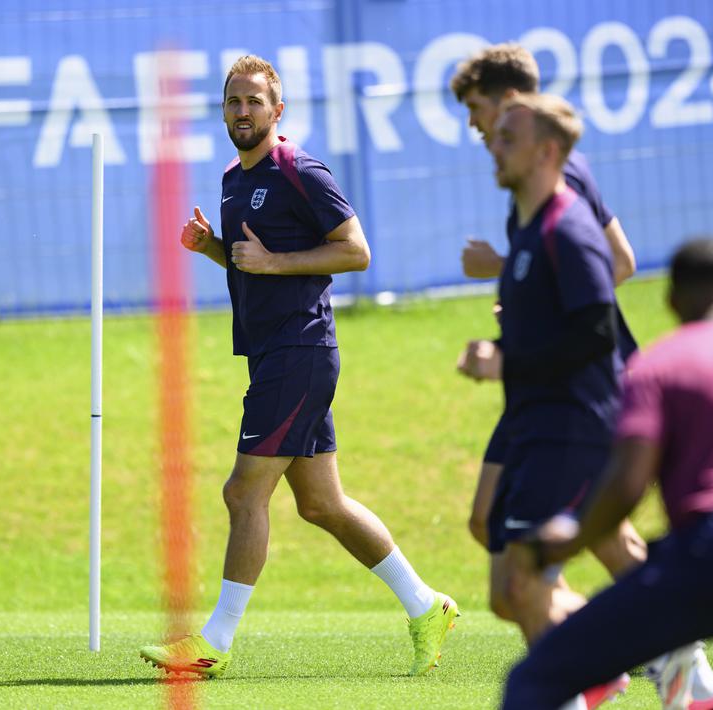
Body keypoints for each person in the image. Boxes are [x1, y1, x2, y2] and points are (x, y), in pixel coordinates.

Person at [138, 55, 458, 679]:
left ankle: (213, 642)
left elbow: (356, 252)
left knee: (242, 492)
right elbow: (252, 262)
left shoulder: (301, 170)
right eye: (234, 101)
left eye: (255, 101)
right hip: (272, 355)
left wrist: (276, 263)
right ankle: (427, 606)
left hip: (300, 352)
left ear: (277, 110)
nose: (243, 111)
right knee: (322, 505)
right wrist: (212, 248)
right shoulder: (232, 179)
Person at [499, 238, 713, 710]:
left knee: (535, 678)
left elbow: (627, 483)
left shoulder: (659, 365)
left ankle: (686, 676)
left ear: (671, 300)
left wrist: (566, 543)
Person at [449, 42, 648, 630]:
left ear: (513, 102)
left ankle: (673, 650)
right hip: (536, 385)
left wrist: (515, 280)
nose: (476, 125)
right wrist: (521, 293)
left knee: (578, 546)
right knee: (492, 528)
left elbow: (616, 262)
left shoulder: (563, 178)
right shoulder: (521, 188)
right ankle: (620, 649)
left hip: (576, 391)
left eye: (478, 107)